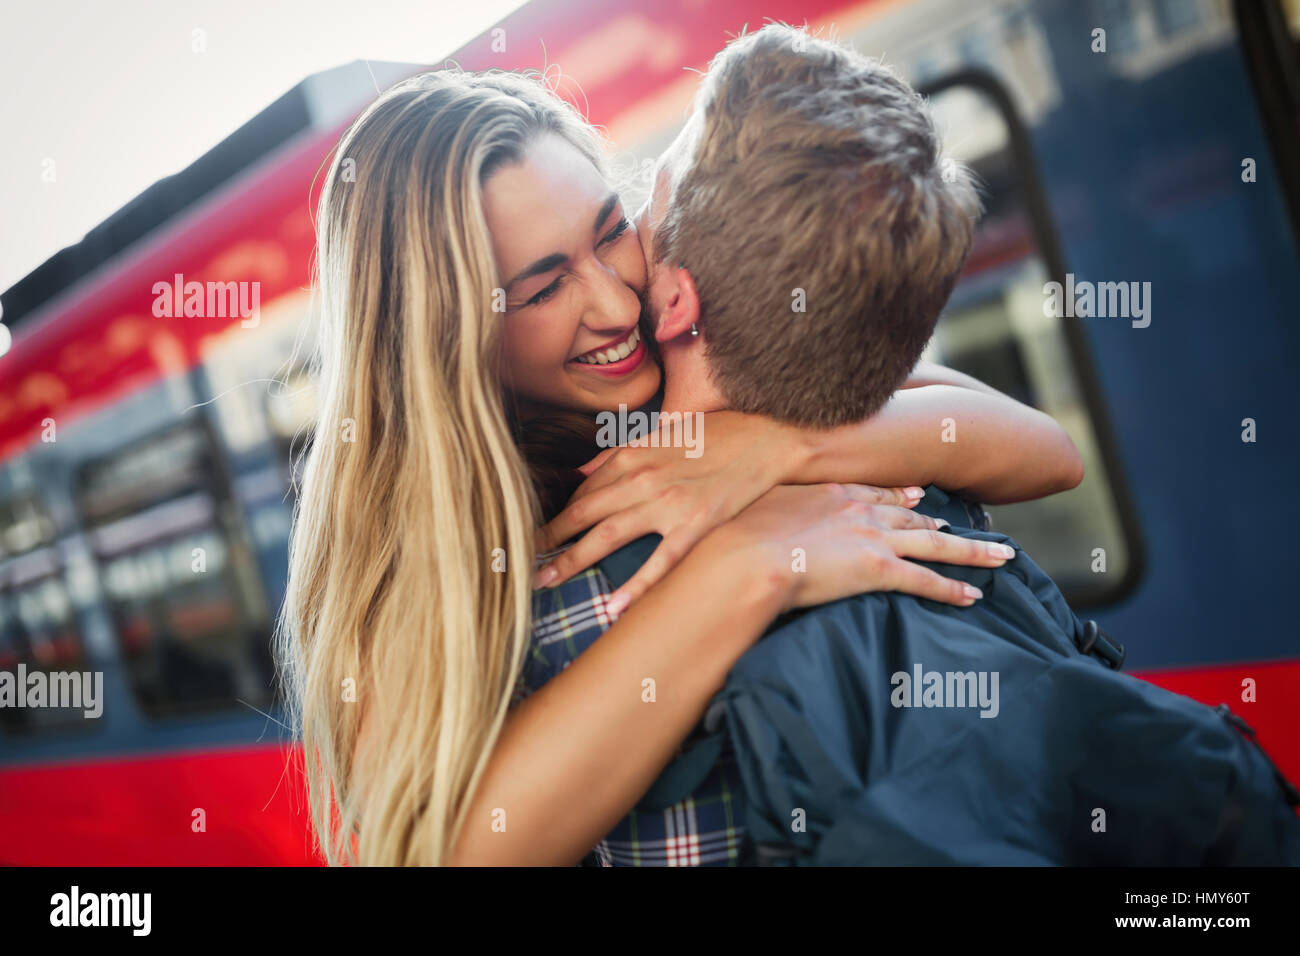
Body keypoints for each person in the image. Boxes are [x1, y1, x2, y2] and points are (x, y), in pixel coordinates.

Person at [277, 30, 1083, 866]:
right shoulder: (411, 545)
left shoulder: (692, 358)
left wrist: (771, 446)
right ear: (442, 335)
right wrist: (748, 564)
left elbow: (1044, 449)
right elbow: (437, 851)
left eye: (610, 229)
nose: (616, 304)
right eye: (545, 287)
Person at [523, 23, 1300, 866]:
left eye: (636, 217)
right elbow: (1044, 450)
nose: (616, 271)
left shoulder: (574, 593)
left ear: (675, 303)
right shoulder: (924, 491)